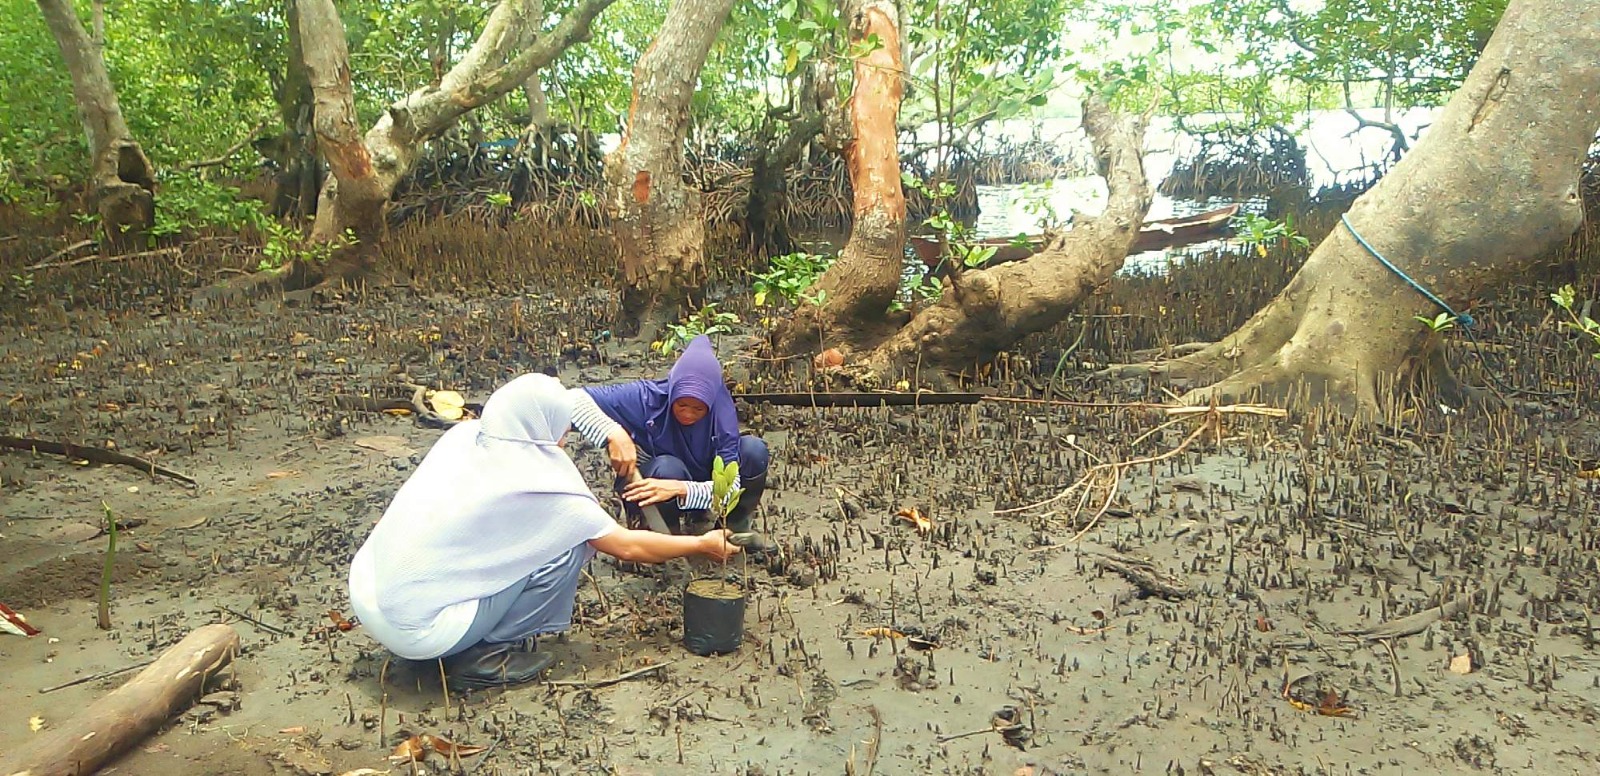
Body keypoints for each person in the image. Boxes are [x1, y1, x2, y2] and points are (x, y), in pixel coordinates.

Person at [346, 373, 741, 689]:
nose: (565, 435)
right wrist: (701, 543)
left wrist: (612, 433)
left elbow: (579, 401)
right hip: (420, 631)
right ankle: (480, 658)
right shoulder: (543, 484)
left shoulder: (463, 437)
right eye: (561, 426)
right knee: (564, 549)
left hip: (373, 598)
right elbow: (626, 546)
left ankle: (444, 640)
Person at [568, 335, 769, 534]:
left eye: (698, 409)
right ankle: (663, 536)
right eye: (681, 405)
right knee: (667, 467)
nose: (688, 414)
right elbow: (571, 400)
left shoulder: (722, 417)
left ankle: (731, 531)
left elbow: (730, 488)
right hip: (652, 480)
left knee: (754, 450)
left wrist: (681, 489)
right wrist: (612, 432)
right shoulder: (646, 398)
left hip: (697, 485)